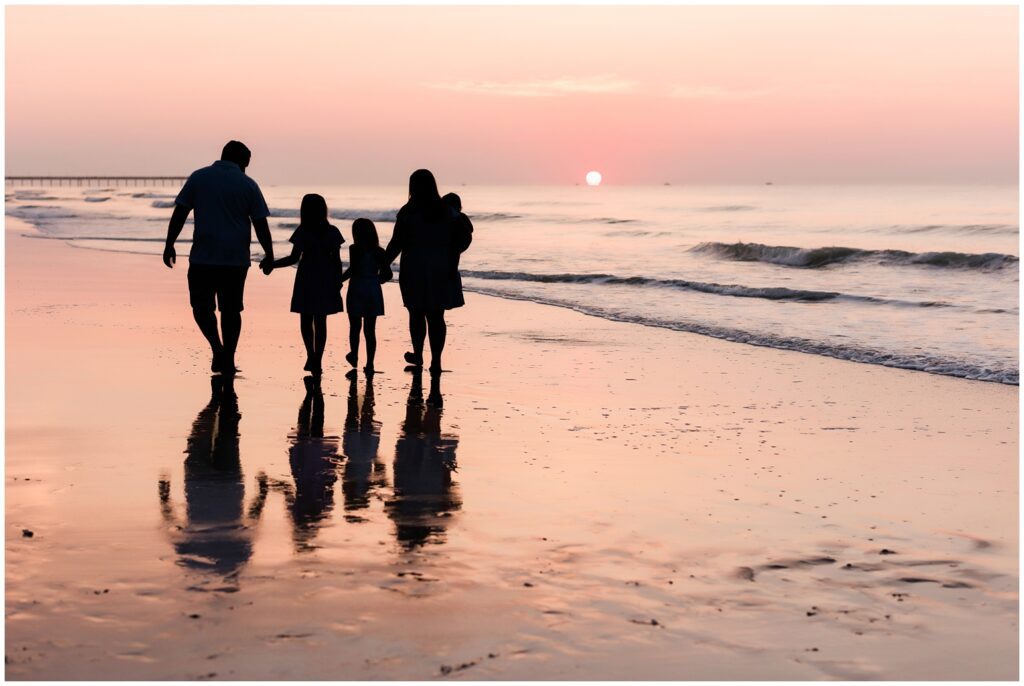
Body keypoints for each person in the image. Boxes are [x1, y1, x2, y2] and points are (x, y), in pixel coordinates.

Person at [163, 140, 274, 375]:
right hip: (235, 259)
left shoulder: (199, 177)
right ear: (241, 160)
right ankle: (228, 357)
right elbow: (260, 223)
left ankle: (217, 348)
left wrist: (169, 243)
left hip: (203, 256)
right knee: (231, 310)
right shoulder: (248, 184)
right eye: (247, 162)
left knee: (201, 307)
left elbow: (180, 212)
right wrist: (269, 253)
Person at [383, 170, 457, 375]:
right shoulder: (446, 210)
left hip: (414, 266)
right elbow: (460, 239)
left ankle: (418, 355)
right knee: (436, 316)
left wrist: (384, 264)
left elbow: (396, 242)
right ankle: (436, 361)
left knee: (416, 313)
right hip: (440, 267)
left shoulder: (408, 212)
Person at [263, 194, 345, 376]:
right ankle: (318, 358)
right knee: (321, 320)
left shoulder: (303, 231)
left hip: (307, 277)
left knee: (306, 319)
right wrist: (338, 281)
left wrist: (272, 264)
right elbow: (337, 261)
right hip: (325, 277)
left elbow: (293, 258)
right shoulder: (332, 232)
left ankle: (310, 355)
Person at [340, 218, 388, 375]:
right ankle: (370, 364)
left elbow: (352, 269)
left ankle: (354, 355)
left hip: (357, 287)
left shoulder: (355, 248)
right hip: (372, 290)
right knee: (370, 330)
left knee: (355, 326)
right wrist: (375, 281)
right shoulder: (379, 251)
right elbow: (388, 274)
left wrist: (338, 280)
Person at [441, 192, 474, 309]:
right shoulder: (459, 218)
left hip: (449, 259)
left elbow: (469, 231)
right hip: (451, 260)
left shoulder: (457, 218)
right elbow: (470, 231)